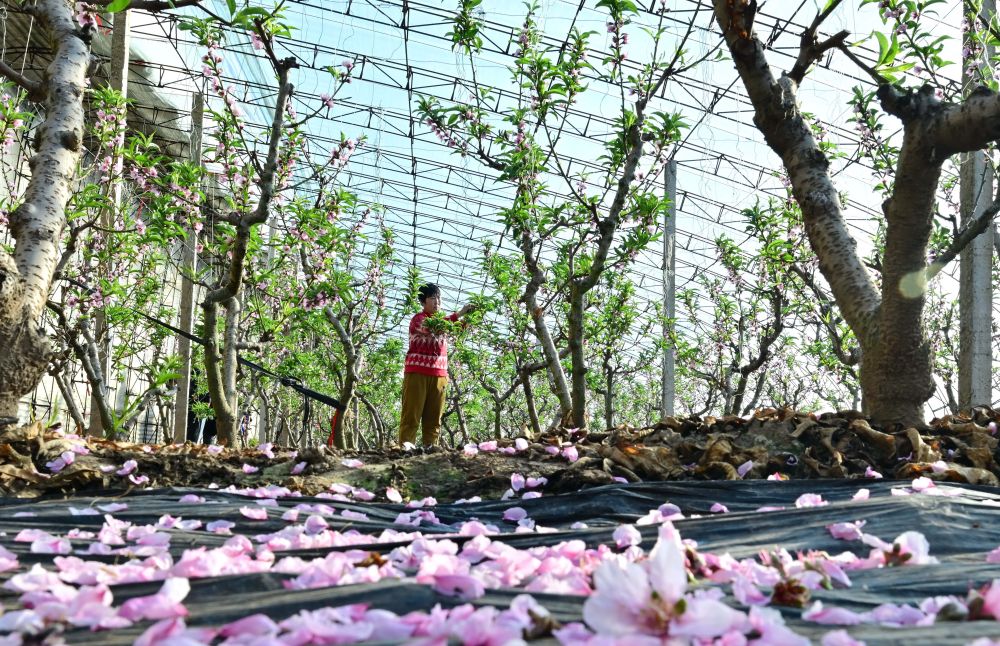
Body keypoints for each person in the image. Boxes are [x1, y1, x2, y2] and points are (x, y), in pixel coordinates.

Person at [399, 283, 474, 447]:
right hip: (417, 373)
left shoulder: (444, 323)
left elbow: (456, 329)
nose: (437, 301)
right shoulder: (419, 319)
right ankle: (405, 451)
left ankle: (430, 453)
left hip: (439, 376)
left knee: (434, 421)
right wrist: (460, 313)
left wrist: (470, 318)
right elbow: (435, 327)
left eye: (439, 298)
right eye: (432, 298)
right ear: (423, 301)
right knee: (411, 418)